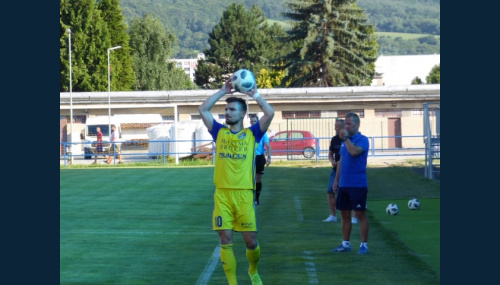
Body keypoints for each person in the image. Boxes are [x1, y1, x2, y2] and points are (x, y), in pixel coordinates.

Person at [199, 78, 274, 285]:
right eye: (226, 109)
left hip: (244, 194)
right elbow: (203, 110)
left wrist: (254, 95)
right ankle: (233, 283)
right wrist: (222, 91)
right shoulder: (219, 132)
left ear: (242, 114)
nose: (227, 112)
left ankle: (253, 271)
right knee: (225, 239)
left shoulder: (253, 134)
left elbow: (270, 113)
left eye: (232, 109)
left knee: (250, 242)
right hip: (222, 194)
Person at [331, 112, 370, 255]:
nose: (346, 126)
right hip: (344, 184)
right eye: (345, 124)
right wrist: (336, 180)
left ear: (357, 124)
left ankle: (364, 245)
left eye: (349, 124)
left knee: (360, 214)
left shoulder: (363, 140)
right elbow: (341, 161)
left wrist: (346, 138)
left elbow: (354, 152)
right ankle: (345, 244)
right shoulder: (343, 142)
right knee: (344, 214)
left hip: (358, 184)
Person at [323, 119, 358, 224]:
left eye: (337, 126)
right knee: (330, 191)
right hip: (335, 169)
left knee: (351, 193)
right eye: (335, 126)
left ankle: (354, 217)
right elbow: (330, 154)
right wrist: (332, 161)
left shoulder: (350, 139)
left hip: (347, 170)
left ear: (343, 127)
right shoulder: (334, 139)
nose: (335, 128)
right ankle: (333, 215)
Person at [249, 114, 272, 206]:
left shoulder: (262, 133)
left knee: (258, 179)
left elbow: (268, 146)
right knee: (249, 179)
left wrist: (269, 157)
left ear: (258, 122)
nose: (253, 122)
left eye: (255, 121)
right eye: (251, 121)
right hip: (249, 158)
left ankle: (257, 198)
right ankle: (248, 198)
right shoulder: (247, 132)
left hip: (259, 158)